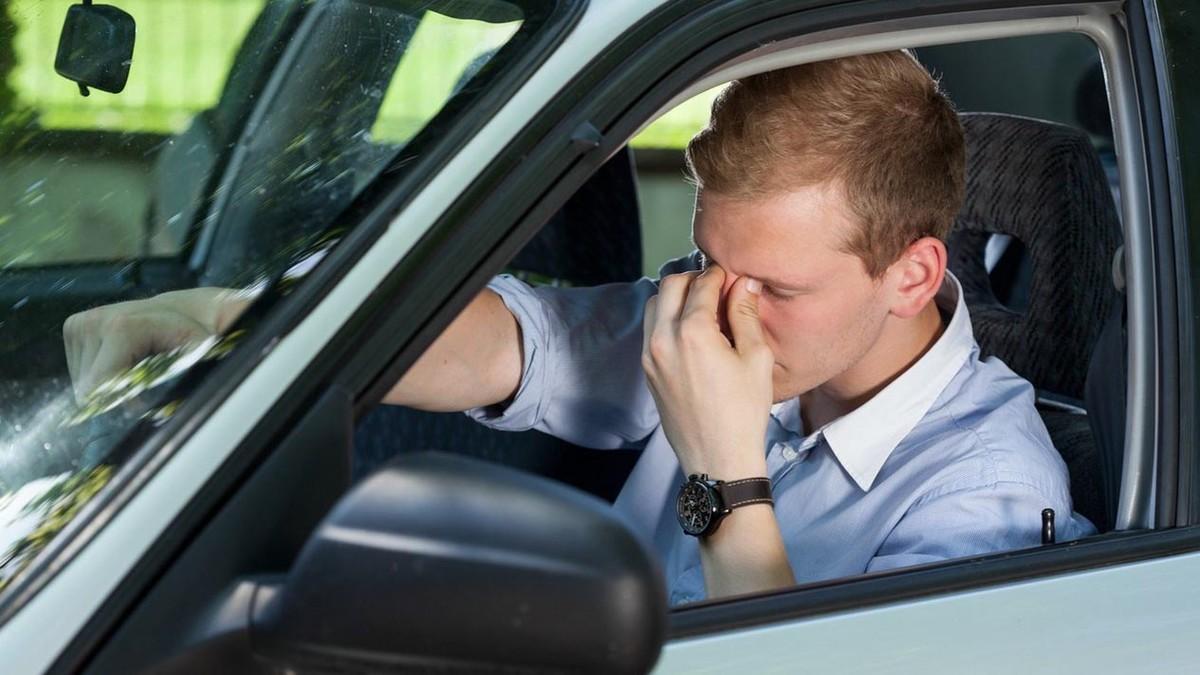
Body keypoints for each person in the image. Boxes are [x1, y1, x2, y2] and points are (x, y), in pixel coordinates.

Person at [64, 50, 1094, 606]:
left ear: (911, 274)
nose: (720, 312)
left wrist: (724, 469)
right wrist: (219, 319)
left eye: (773, 285)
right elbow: (503, 341)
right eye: (706, 260)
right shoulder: (714, 313)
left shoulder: (988, 498)